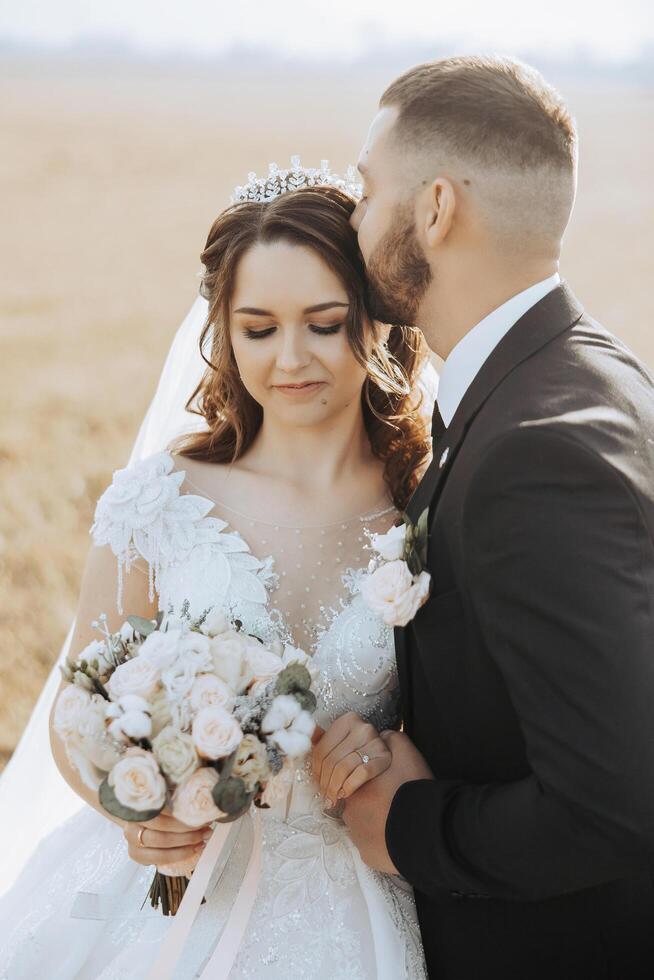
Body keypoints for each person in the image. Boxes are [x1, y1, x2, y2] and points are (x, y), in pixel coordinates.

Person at [0, 170, 434, 978]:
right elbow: (78, 703)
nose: (292, 359)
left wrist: (391, 753)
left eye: (325, 323)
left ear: (373, 322)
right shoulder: (162, 498)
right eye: (258, 328)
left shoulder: (426, 507)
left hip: (344, 895)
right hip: (163, 889)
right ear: (223, 332)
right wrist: (130, 808)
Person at [338, 54, 654, 979]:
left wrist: (406, 828)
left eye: (366, 189)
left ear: (434, 208)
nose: (354, 218)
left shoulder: (533, 452)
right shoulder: (591, 369)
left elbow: (613, 804)